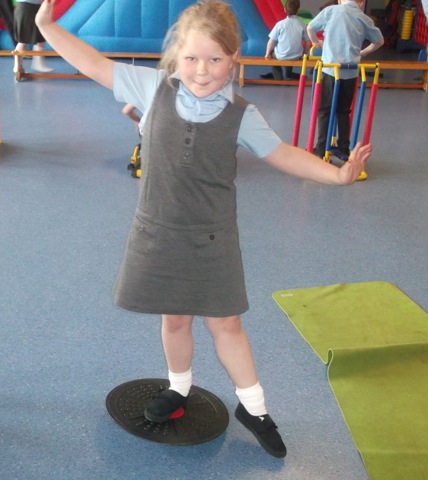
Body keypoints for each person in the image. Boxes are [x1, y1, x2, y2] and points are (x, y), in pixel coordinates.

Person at [36, 0, 371, 458]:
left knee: (226, 324)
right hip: (159, 232)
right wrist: (46, 25)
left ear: (233, 59)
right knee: (173, 318)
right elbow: (91, 62)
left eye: (215, 59)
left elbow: (282, 154)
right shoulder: (152, 87)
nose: (201, 70)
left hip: (213, 238)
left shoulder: (240, 114)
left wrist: (336, 175)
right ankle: (179, 387)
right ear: (177, 55)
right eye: (192, 58)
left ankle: (254, 409)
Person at [307, 0, 383, 161]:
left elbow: (310, 27)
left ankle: (321, 150)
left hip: (330, 69)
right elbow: (379, 41)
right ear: (361, 3)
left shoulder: (331, 11)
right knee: (343, 112)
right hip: (351, 72)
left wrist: (316, 43)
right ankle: (343, 148)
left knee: (324, 111)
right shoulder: (364, 18)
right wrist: (363, 53)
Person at [261, 0, 310, 80]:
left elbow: (271, 41)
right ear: (298, 10)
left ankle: (278, 76)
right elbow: (308, 42)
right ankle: (288, 73)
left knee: (272, 53)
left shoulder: (280, 24)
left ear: (284, 9)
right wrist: (304, 54)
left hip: (281, 55)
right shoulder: (302, 25)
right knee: (292, 48)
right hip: (297, 55)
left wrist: (267, 54)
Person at [14, 0, 53, 75]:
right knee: (23, 41)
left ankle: (38, 63)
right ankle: (17, 66)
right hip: (26, 8)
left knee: (39, 39)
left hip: (32, 8)